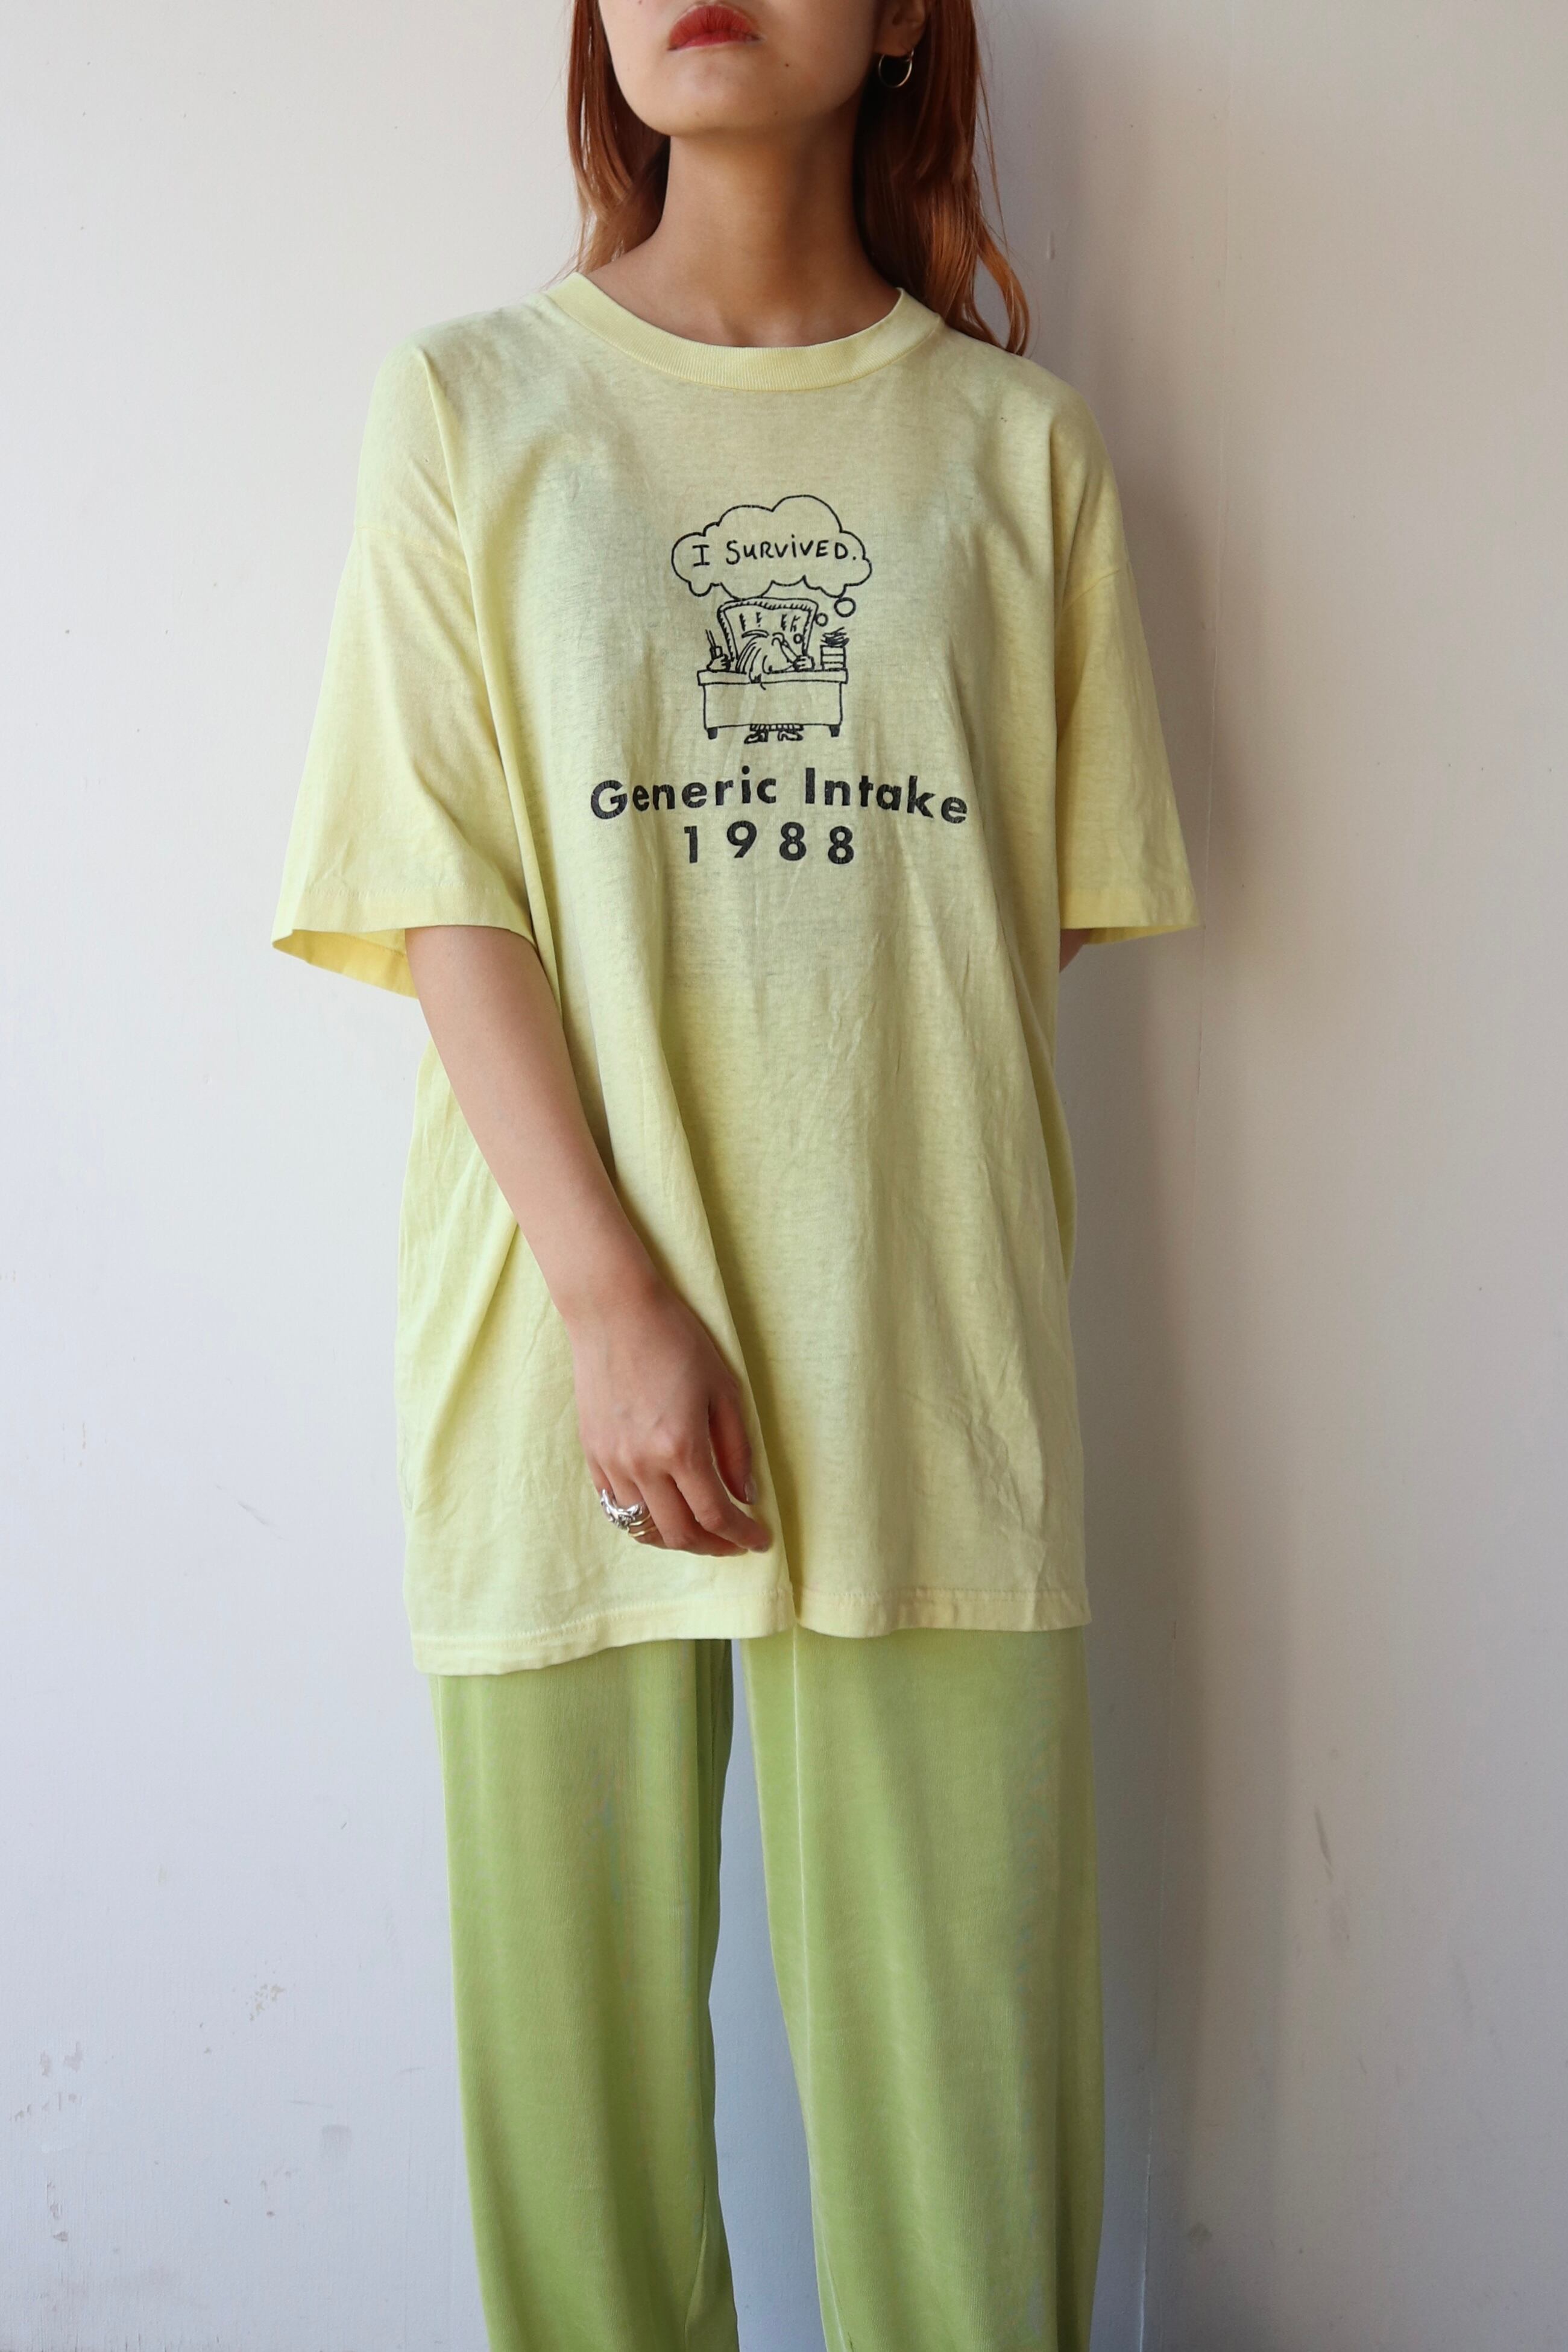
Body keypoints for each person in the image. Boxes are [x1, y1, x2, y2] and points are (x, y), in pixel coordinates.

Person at [270, 0, 1201, 2344]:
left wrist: (837, 1199)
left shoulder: (1017, 449)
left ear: (898, 24)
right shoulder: (469, 404)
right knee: (576, 2173)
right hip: (548, 1369)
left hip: (929, 1368)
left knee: (967, 2172)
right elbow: (436, 884)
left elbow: (1018, 914)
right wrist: (619, 1300)